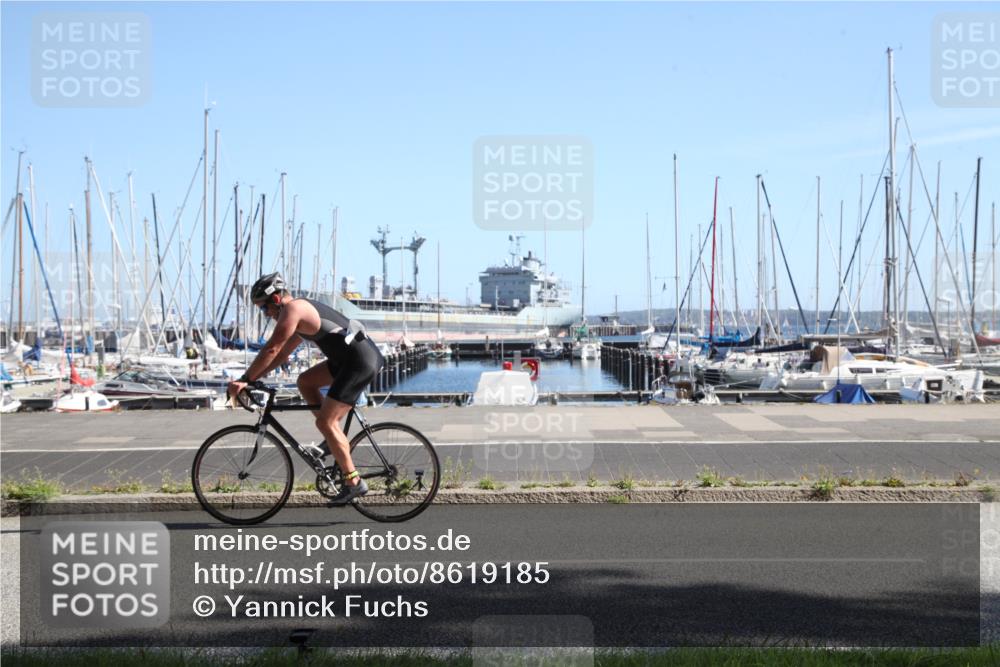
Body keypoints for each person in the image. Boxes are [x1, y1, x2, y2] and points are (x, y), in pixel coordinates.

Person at [227, 272, 384, 505]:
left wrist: (245, 379)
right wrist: (252, 379)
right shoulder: (299, 314)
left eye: (264, 308)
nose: (266, 314)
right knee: (305, 382)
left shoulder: (294, 310)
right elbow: (282, 355)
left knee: (326, 422)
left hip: (359, 362)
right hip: (347, 361)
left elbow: (271, 348)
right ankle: (333, 440)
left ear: (276, 299)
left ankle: (354, 482)